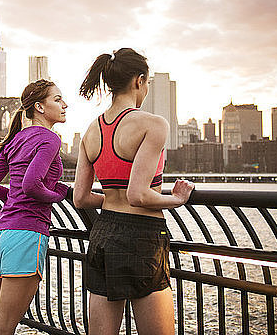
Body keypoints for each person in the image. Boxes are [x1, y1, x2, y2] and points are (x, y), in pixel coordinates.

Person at [73, 48, 195, 335]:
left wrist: (112, 197)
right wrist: (176, 199)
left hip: (102, 233)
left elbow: (80, 198)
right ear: (139, 81)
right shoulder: (152, 124)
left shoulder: (91, 130)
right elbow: (138, 195)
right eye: (147, 83)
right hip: (141, 236)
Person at [0, 79, 70, 335]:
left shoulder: (13, 140)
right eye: (58, 99)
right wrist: (59, 193)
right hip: (26, 232)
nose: (65, 105)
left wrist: (11, 198)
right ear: (39, 106)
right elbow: (31, 185)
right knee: (4, 328)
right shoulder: (50, 139)